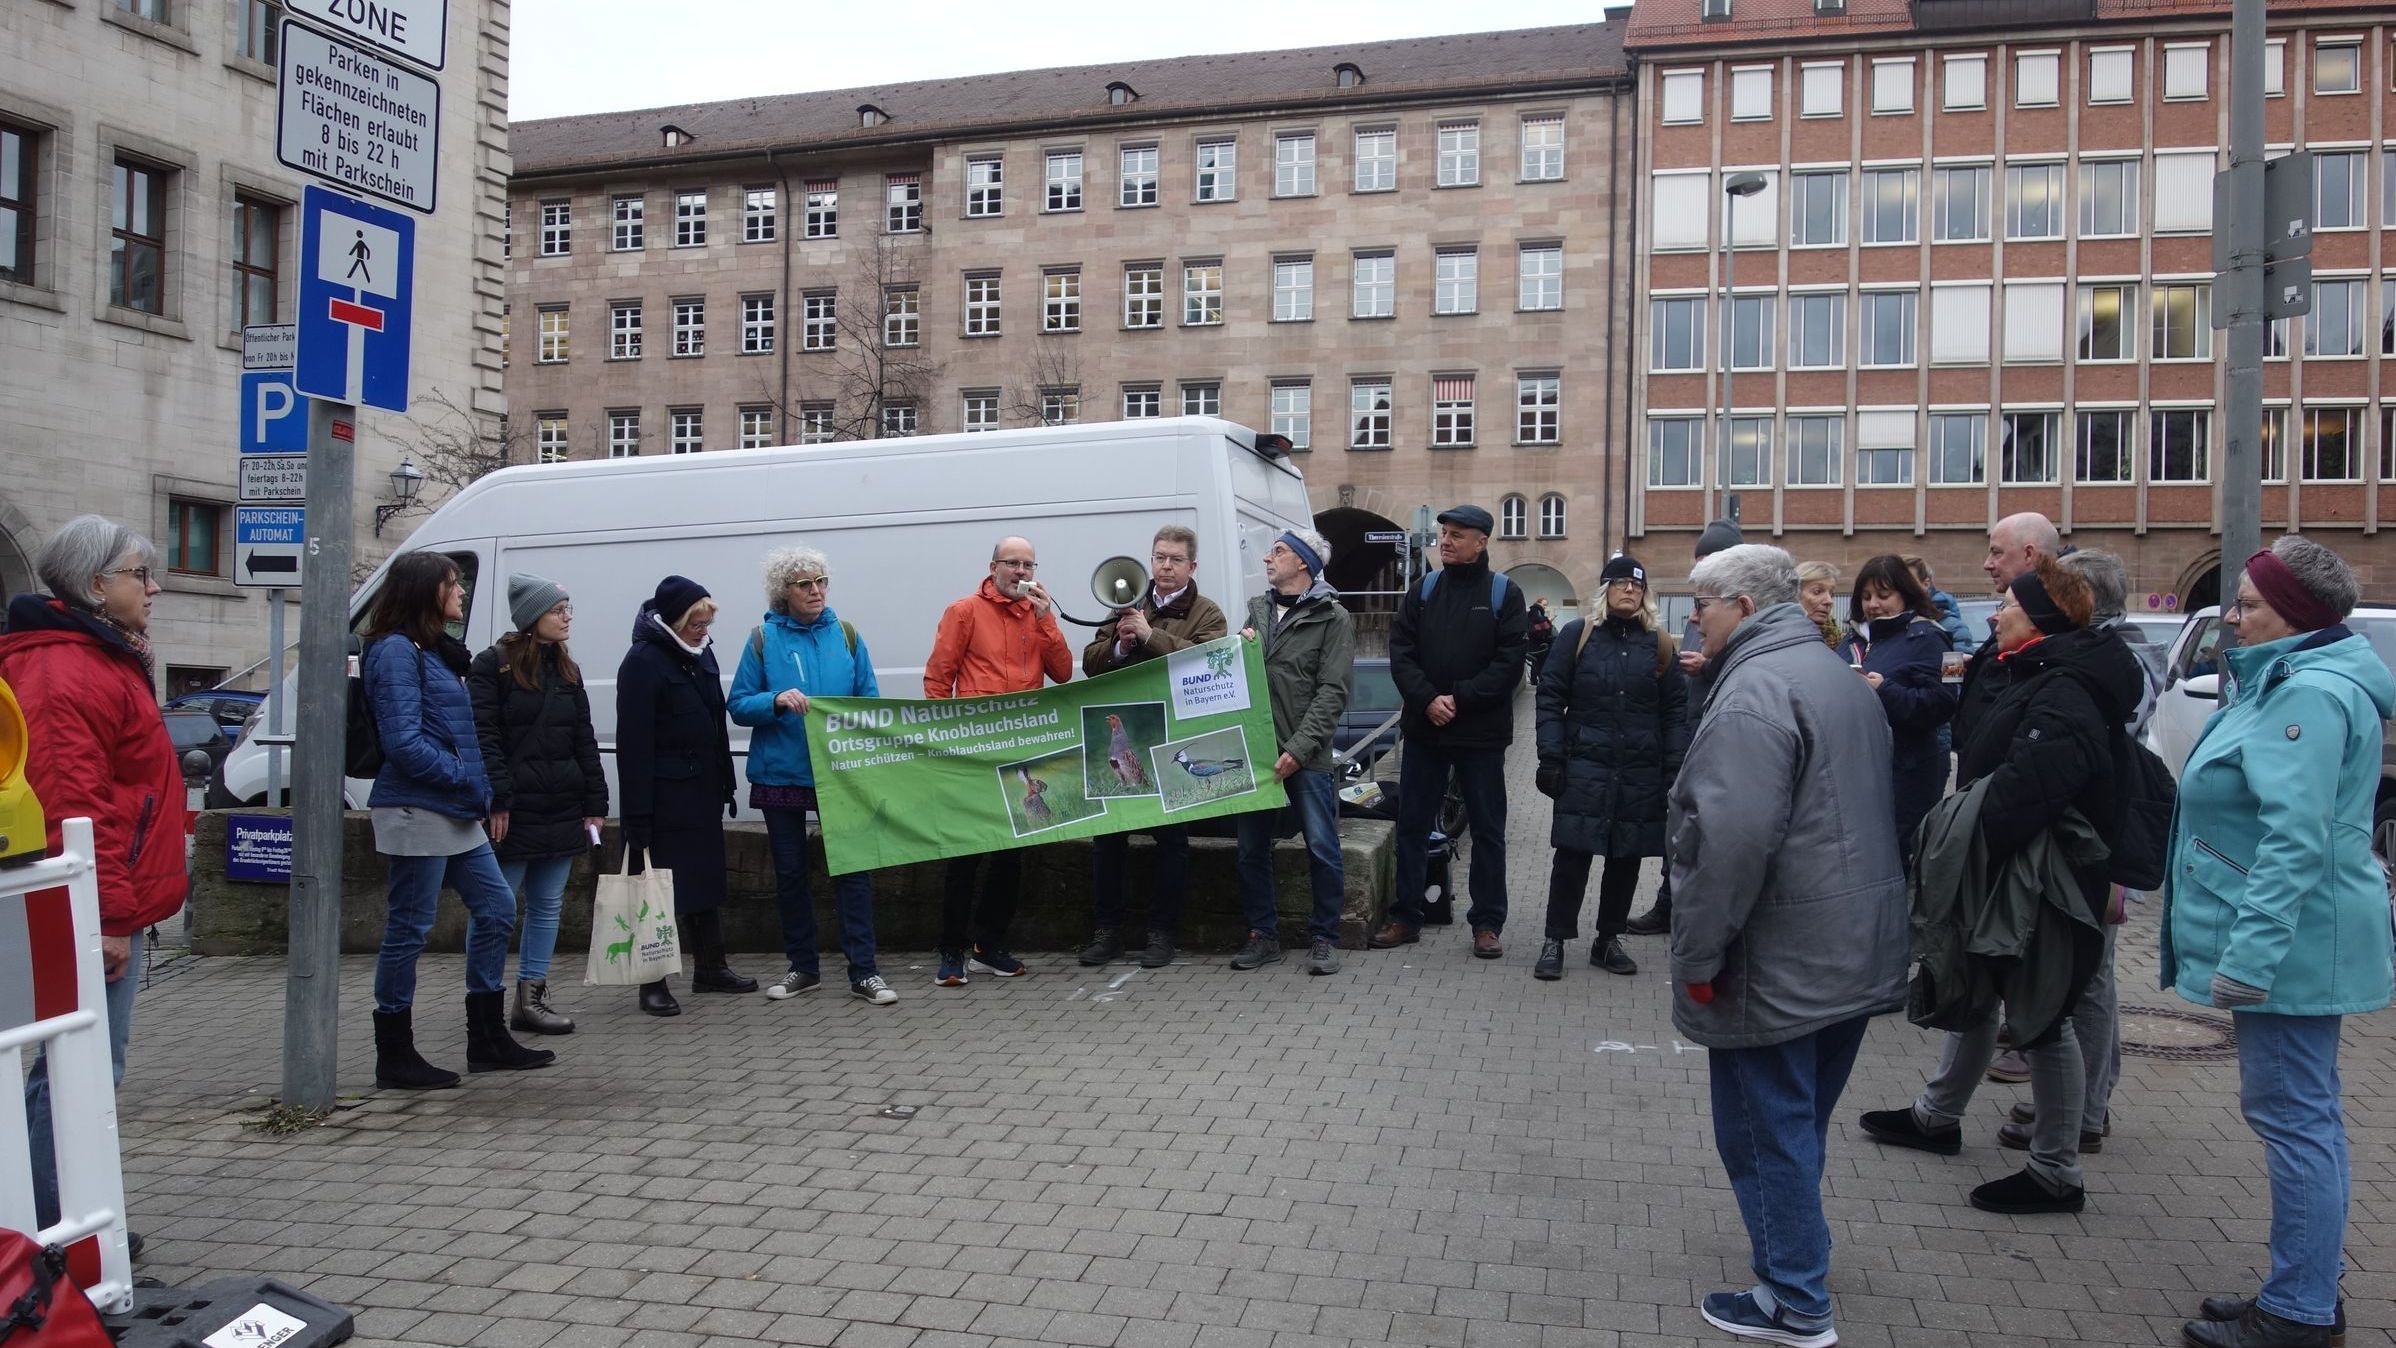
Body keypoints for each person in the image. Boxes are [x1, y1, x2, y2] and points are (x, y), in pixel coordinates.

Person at [1668, 544, 1908, 1348]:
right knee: (1796, 1122)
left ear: (1739, 603)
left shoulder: (1754, 693)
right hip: (1849, 940)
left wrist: (1698, 956)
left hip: (1776, 952)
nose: (1692, 617)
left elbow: (1728, 845)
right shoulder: (1833, 675)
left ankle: (1795, 1298)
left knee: (1763, 1129)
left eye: (1700, 602)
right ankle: (1798, 1259)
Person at [1857, 556, 2141, 1217]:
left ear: (2038, 615)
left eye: (2009, 603)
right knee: (1981, 992)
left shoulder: (2066, 687)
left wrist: (1972, 839)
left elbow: (2034, 788)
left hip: (2036, 874)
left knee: (2042, 1016)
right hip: (2010, 865)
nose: (1997, 613)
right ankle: (1937, 1117)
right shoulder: (2041, 671)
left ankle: (2054, 1172)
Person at [2168, 538, 2391, 1348]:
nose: (2232, 616)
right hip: (2303, 938)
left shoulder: (2308, 695)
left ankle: (2299, 1312)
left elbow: (2294, 842)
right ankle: (2302, 1288)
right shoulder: (2293, 683)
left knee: (2295, 1118)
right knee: (2304, 1116)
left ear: (2293, 614)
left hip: (2295, 945)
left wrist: (2250, 958)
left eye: (2250, 605)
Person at [3, 516, 185, 1241]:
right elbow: (74, 805)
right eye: (140, 573)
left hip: (107, 899)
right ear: (94, 585)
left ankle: (52, 1215)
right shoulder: (64, 667)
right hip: (90, 904)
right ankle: (52, 1226)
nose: (154, 586)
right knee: (78, 1069)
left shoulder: (97, 655)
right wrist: (106, 917)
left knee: (76, 1066)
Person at [360, 551, 554, 1084]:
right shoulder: (397, 651)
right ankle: (394, 1051)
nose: (462, 592)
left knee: (495, 907)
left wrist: (478, 786)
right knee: (411, 927)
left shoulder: (433, 651)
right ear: (426, 592)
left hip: (454, 804)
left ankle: (486, 1036)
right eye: (453, 584)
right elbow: (403, 741)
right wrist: (466, 778)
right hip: (417, 807)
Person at [727, 546, 896, 1006]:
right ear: (785, 592)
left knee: (853, 871)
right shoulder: (762, 638)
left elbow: (869, 703)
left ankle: (865, 972)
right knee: (790, 875)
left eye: (821, 581)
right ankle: (803, 968)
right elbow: (738, 704)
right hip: (782, 772)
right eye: (804, 584)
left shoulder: (847, 634)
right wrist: (776, 699)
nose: (816, 591)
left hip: (839, 775)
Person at [1371, 504, 1529, 958]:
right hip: (1426, 730)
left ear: (1482, 542)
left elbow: (1509, 662)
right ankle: (1407, 915)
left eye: (1458, 535)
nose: (1446, 541)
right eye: (1443, 533)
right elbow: (1400, 649)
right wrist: (1427, 699)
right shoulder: (1424, 590)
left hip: (1480, 735)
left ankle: (1487, 923)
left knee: (1487, 829)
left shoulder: (1504, 593)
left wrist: (1459, 698)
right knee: (1413, 825)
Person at [924, 536, 1074, 986]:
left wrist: (1048, 619)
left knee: (1011, 858)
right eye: (1012, 563)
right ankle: (952, 951)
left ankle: (988, 945)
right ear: (993, 567)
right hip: (974, 753)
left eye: (1028, 564)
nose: (1021, 572)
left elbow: (1063, 672)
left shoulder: (1036, 613)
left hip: (1021, 753)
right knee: (966, 854)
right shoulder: (964, 611)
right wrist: (944, 742)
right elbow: (938, 679)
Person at [1077, 526, 1226, 969]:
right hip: (1127, 736)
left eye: (1175, 559)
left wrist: (1149, 636)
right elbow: (1089, 661)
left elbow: (1207, 663)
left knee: (1172, 841)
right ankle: (1108, 931)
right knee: (1108, 840)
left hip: (1172, 741)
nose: (1164, 565)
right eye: (1159, 557)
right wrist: (1119, 649)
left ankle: (1162, 933)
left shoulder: (1207, 612)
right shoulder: (1126, 604)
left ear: (1191, 566)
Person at [1533, 553, 1686, 981]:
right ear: (1605, 590)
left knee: (1626, 859)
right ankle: (1555, 939)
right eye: (1621, 584)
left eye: (1637, 586)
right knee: (1573, 856)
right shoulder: (1578, 635)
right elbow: (1550, 696)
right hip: (1585, 765)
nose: (1629, 591)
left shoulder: (1659, 644)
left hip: (1640, 769)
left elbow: (1675, 711)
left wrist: (1672, 769)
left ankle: (1608, 939)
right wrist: (1551, 756)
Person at [468, 574, 606, 1036]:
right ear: (531, 619)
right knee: (497, 909)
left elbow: (583, 738)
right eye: (557, 611)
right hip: (516, 808)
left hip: (562, 804)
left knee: (547, 906)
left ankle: (532, 998)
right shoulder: (492, 666)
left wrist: (594, 799)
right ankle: (483, 1001)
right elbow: (484, 736)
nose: (567, 618)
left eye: (568, 609)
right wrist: (498, 798)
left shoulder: (567, 668)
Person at [617, 575, 749, 1016]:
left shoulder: (701, 655)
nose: (704, 631)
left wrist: (727, 782)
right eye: (697, 623)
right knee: (658, 891)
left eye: (707, 623)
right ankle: (650, 982)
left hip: (702, 789)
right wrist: (637, 815)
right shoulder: (643, 662)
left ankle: (711, 967)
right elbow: (633, 745)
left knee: (704, 882)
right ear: (674, 621)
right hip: (663, 797)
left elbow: (716, 725)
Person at [1231, 528, 1353, 974]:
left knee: (1322, 847)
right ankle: (1263, 935)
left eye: (1278, 551)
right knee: (1250, 850)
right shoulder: (1257, 609)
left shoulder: (1333, 617)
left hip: (1308, 757)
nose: (1267, 558)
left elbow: (1331, 692)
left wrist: (1299, 750)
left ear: (1303, 563)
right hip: (1259, 754)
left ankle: (1324, 937)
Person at [1968, 512, 2061, 1086]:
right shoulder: (2021, 648)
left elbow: (2039, 777)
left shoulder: (2061, 676)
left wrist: (1985, 825)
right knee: (1990, 965)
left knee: (2058, 992)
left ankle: (2065, 1135)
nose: (1987, 563)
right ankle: (1941, 1107)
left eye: (1997, 551)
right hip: (1997, 826)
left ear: (2030, 555)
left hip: (2026, 845)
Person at [1625, 516, 1744, 939]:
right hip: (1689, 735)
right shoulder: (1702, 608)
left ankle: (1699, 913)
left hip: (1724, 739)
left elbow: (1749, 670)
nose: (1701, 569)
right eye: (1698, 560)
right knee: (1679, 826)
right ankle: (1670, 903)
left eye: (1709, 560)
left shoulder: (1743, 607)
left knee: (1712, 832)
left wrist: (1709, 667)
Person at [1833, 555, 1957, 856]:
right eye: (1865, 597)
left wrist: (1883, 689)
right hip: (1858, 769)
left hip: (1907, 774)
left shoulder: (1936, 637)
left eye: (1883, 596)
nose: (1873, 604)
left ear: (1905, 594)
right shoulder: (1853, 639)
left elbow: (1945, 703)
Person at [1906, 554, 1972, 648]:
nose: (1901, 587)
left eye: (1908, 582)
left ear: (1925, 584)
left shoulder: (1951, 627)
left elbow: (1960, 659)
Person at [1795, 561, 1842, 647]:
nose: (1829, 601)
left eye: (1831, 594)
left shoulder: (1842, 644)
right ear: (1796, 594)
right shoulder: (1773, 637)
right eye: (1817, 591)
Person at [1525, 598, 1555, 676]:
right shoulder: (1535, 612)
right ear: (1538, 603)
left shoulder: (1536, 612)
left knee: (1537, 663)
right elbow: (1533, 628)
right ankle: (1537, 680)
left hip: (1536, 643)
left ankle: (1534, 680)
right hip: (1538, 644)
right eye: (1544, 604)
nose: (1545, 607)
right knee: (1540, 663)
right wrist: (1547, 621)